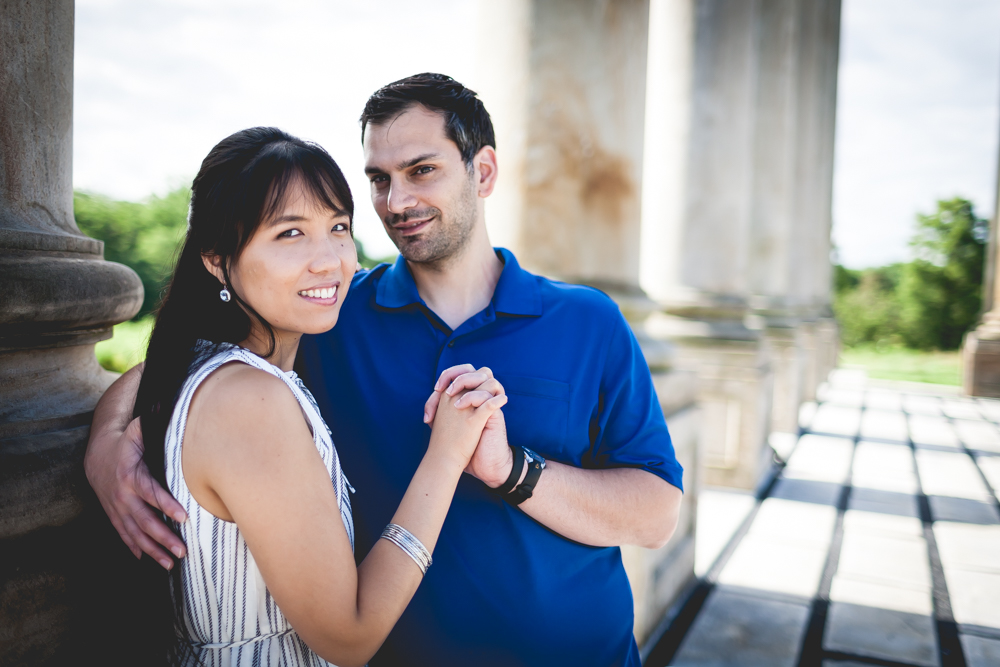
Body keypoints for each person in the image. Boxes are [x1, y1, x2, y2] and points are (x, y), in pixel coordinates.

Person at [86, 74, 685, 666]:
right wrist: (106, 445)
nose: (396, 202)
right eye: (379, 179)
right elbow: (175, 369)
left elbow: (657, 514)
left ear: (483, 172)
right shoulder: (331, 315)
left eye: (421, 170)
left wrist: (511, 471)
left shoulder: (587, 320)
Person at [121, 125, 507, 665]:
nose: (330, 260)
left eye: (338, 227)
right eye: (289, 234)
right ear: (215, 257)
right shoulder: (250, 400)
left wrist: (103, 445)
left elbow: (141, 377)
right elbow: (349, 637)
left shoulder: (212, 363)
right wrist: (446, 455)